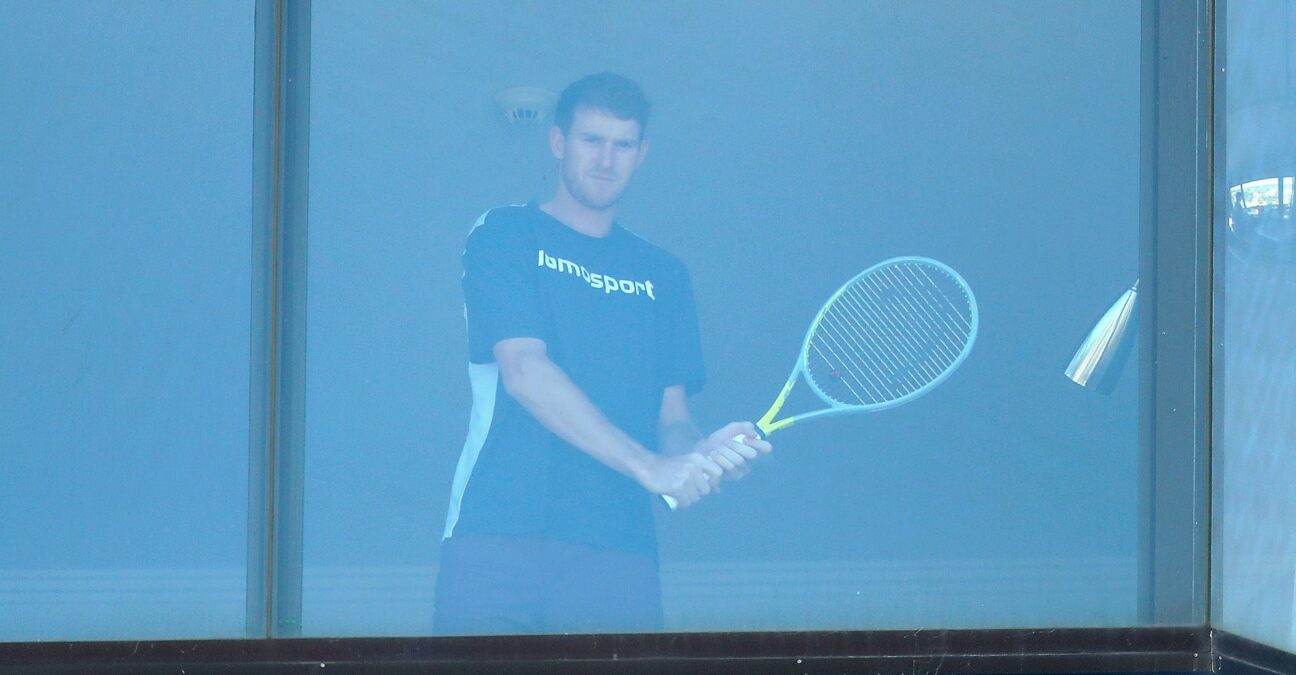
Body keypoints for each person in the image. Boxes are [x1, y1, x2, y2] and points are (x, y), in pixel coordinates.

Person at [433, 72, 772, 635]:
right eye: (592, 140)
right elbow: (523, 371)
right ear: (558, 142)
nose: (606, 159)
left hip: (619, 549)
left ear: (642, 155)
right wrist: (652, 468)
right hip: (499, 530)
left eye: (622, 145)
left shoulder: (663, 273)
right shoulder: (507, 232)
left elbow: (673, 421)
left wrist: (696, 454)